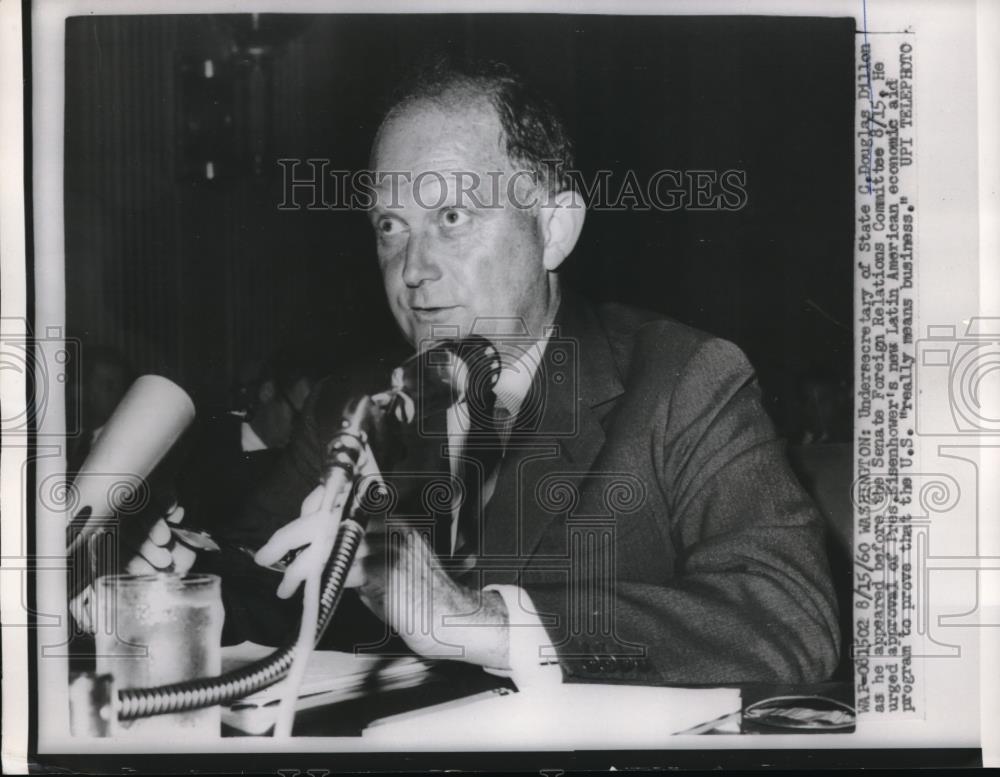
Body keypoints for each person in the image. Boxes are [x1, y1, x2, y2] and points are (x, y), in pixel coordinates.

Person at [133, 57, 841, 686]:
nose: (412, 270)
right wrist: (185, 581)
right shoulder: (356, 405)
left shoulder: (685, 380)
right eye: (390, 226)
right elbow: (267, 578)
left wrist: (479, 620)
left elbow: (790, 620)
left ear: (554, 228)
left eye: (451, 216)